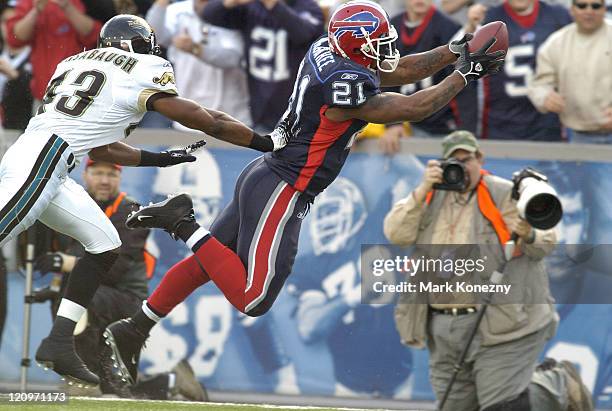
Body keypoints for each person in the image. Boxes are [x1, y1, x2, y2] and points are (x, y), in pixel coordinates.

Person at [99, 0, 506, 393]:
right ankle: (181, 221)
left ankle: (134, 329)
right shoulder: (345, 85)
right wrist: (465, 75)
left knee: (205, 265)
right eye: (378, 43)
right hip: (284, 186)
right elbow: (413, 106)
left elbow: (396, 70)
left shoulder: (329, 49)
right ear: (356, 47)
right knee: (254, 298)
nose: (387, 50)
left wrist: (455, 50)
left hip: (266, 173)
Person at [0, 13, 283, 386]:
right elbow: (205, 119)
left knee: (104, 244)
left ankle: (58, 342)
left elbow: (102, 146)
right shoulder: (142, 67)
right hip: (43, 161)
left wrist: (160, 158)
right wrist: (265, 142)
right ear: (140, 46)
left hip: (47, 160)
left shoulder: (73, 63)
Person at [385, 131, 591, 410]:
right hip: (443, 327)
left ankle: (559, 386)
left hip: (502, 320)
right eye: (453, 162)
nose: (461, 167)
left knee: (502, 407)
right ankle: (544, 386)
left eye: (466, 159)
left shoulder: (504, 193)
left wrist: (528, 234)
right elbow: (396, 234)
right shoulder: (429, 195)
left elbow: (547, 241)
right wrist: (422, 189)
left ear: (479, 159)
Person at [34, 159, 207, 401]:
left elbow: (112, 267)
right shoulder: (76, 205)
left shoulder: (131, 211)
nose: (104, 180)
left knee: (80, 301)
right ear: (86, 175)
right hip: (97, 295)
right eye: (98, 173)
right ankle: (172, 380)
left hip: (129, 299)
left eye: (110, 174)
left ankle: (82, 381)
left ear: (119, 178)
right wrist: (53, 286)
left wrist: (62, 262)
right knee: (113, 389)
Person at [201, 0, 324, 133]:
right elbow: (210, 14)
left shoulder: (308, 7)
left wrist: (274, 5)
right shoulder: (251, 7)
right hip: (260, 106)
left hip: (297, 107)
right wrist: (230, 2)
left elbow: (304, 33)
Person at [473, 0, 572, 140]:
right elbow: (461, 62)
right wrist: (470, 27)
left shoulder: (559, 16)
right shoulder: (487, 18)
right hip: (500, 122)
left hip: (548, 122)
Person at [146, 0, 251, 127]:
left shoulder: (231, 9)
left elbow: (233, 58)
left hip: (232, 114)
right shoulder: (177, 10)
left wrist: (196, 49)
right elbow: (155, 37)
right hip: (187, 115)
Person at [527, 0, 612, 144]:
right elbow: (539, 85)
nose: (589, 11)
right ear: (572, 10)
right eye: (582, 6)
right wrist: (545, 97)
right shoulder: (556, 43)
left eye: (596, 6)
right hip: (578, 135)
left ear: (604, 9)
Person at [5, 0, 102, 111]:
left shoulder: (86, 3)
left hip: (79, 94)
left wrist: (68, 7)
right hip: (44, 93)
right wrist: (36, 10)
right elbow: (15, 38)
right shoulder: (28, 2)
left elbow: (96, 37)